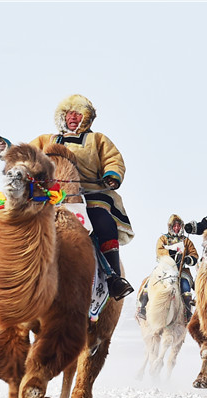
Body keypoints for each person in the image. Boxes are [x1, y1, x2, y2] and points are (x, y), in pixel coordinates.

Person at [30, 94, 134, 300]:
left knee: (104, 223)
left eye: (78, 114)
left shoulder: (97, 139)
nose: (73, 118)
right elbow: (28, 154)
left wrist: (111, 175)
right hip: (52, 195)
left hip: (91, 193)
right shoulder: (46, 140)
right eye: (69, 114)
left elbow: (113, 160)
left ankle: (114, 276)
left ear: (86, 118)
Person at [136, 214, 199, 321]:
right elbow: (159, 251)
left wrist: (189, 259)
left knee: (185, 287)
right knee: (149, 283)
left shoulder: (186, 241)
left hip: (181, 270)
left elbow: (194, 255)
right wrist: (170, 253)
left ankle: (188, 313)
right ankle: (143, 308)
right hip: (164, 268)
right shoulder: (163, 239)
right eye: (174, 226)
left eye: (179, 226)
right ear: (170, 227)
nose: (176, 228)